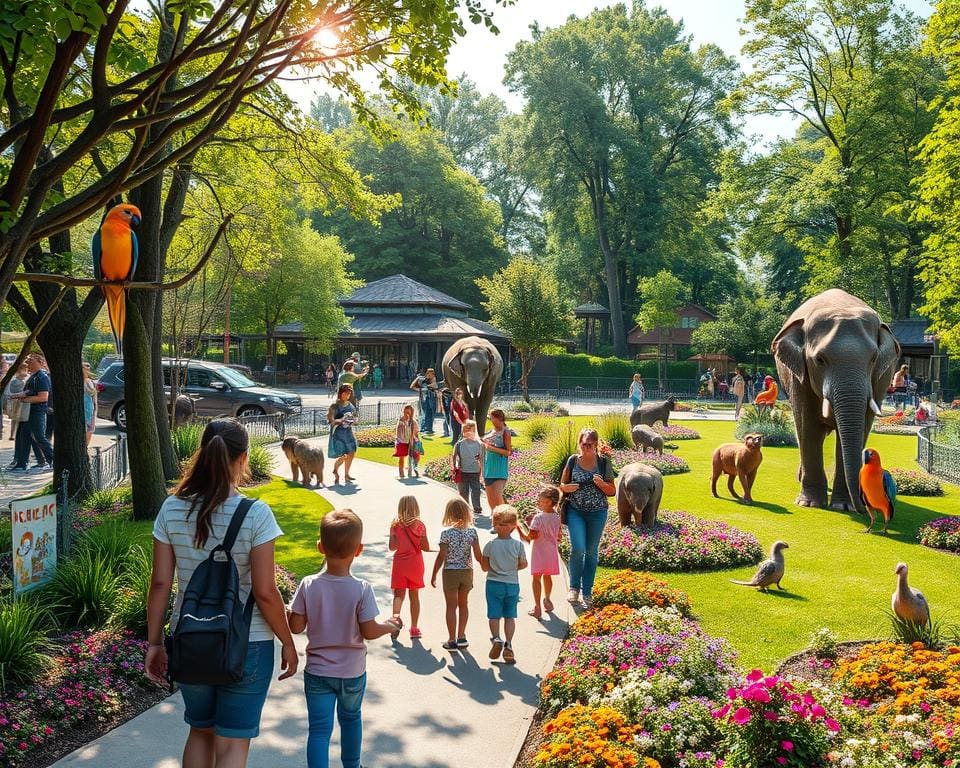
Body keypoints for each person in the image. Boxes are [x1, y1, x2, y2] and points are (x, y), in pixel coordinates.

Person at [145, 418, 298, 768]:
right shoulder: (256, 514)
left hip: (191, 639)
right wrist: (287, 641)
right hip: (249, 642)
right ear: (243, 458)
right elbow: (265, 591)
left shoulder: (172, 508)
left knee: (200, 731)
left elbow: (160, 584)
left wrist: (155, 643)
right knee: (232, 743)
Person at [287, 509, 402, 768]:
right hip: (351, 672)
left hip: (317, 671)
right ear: (359, 550)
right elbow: (369, 631)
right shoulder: (361, 589)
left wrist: (288, 611)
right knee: (351, 719)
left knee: (318, 730)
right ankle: (352, 765)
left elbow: (296, 627)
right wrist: (389, 626)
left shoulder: (308, 584)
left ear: (320, 547)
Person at [559, 428, 615, 609]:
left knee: (591, 551)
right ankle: (574, 587)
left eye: (590, 444)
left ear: (596, 444)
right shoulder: (573, 461)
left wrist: (601, 484)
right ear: (579, 443)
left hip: (598, 512)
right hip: (576, 511)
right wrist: (566, 489)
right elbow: (562, 484)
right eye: (584, 444)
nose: (586, 448)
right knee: (578, 548)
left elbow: (612, 491)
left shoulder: (603, 463)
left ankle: (587, 591)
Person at [430, 497, 482, 651]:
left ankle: (451, 639)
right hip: (466, 571)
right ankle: (462, 636)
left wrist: (434, 574)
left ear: (449, 514)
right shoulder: (472, 532)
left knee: (451, 606)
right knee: (463, 604)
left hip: (450, 572)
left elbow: (442, 556)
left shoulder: (446, 533)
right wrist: (487, 565)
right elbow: (478, 555)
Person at [481, 504, 527, 665]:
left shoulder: (490, 546)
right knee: (510, 615)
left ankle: (496, 638)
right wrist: (511, 568)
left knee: (494, 615)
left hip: (494, 582)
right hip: (512, 584)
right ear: (514, 527)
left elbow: (484, 566)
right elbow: (523, 564)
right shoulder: (518, 545)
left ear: (494, 525)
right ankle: (509, 644)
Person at [388, 496, 430, 640]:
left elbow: (392, 547)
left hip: (400, 564)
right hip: (415, 563)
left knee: (398, 595)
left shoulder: (395, 525)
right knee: (414, 596)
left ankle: (394, 620)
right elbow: (425, 547)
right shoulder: (420, 525)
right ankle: (414, 628)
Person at [517, 486, 561, 619]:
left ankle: (537, 607)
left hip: (539, 551)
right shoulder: (557, 517)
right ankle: (547, 599)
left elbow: (531, 537)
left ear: (548, 502)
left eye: (541, 500)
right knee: (548, 576)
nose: (538, 502)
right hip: (552, 550)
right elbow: (559, 536)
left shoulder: (538, 518)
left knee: (536, 578)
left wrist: (518, 529)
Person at [8, 353, 54, 473]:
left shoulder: (41, 377)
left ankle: (54, 460)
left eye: (30, 361)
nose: (28, 363)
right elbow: (31, 391)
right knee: (25, 436)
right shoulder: (34, 377)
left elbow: (43, 397)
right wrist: (18, 395)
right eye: (27, 361)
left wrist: (24, 399)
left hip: (37, 412)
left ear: (39, 362)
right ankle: (21, 464)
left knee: (39, 437)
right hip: (29, 412)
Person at [481, 408, 512, 514]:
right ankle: (495, 519)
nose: (491, 420)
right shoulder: (492, 431)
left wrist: (491, 448)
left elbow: (508, 452)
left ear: (499, 418)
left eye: (492, 418)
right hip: (488, 469)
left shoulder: (505, 432)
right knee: (490, 498)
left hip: (500, 470)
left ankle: (506, 517)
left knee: (498, 495)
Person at [452, 419, 484, 517]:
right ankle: (465, 507)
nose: (468, 432)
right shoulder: (459, 444)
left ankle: (476, 507)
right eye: (466, 430)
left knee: (476, 490)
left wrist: (482, 471)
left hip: (475, 471)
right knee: (463, 491)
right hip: (462, 471)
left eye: (471, 430)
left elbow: (482, 458)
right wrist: (454, 467)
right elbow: (454, 456)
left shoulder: (479, 444)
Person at [328, 384, 358, 484]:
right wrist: (341, 420)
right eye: (345, 393)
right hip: (339, 434)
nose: (347, 395)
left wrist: (353, 420)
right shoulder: (334, 406)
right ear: (340, 393)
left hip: (348, 432)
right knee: (343, 455)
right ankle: (335, 469)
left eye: (349, 394)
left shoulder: (350, 405)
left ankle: (346, 474)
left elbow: (355, 418)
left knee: (352, 452)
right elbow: (331, 420)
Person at [392, 404, 421, 479]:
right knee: (401, 457)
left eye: (409, 412)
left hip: (412, 441)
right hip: (402, 441)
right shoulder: (401, 420)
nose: (407, 414)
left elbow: (417, 431)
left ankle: (414, 469)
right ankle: (401, 473)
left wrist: (417, 440)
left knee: (416, 456)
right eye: (406, 412)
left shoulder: (414, 421)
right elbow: (398, 431)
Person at [4, 362, 29, 441]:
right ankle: (12, 434)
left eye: (26, 369)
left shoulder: (26, 378)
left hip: (22, 401)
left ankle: (16, 435)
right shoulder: (14, 380)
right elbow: (10, 391)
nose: (25, 371)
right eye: (24, 369)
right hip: (16, 401)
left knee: (19, 419)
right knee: (14, 418)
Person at [410, 367, 439, 434]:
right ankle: (423, 428)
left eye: (432, 374)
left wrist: (431, 381)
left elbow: (435, 386)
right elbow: (412, 386)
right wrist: (417, 379)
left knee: (430, 414)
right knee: (424, 414)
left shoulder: (433, 381)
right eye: (429, 374)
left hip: (431, 399)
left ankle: (429, 428)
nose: (430, 376)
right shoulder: (423, 380)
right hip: (424, 400)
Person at [82, 361, 98, 447]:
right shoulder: (82, 382)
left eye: (88, 366)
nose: (88, 367)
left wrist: (95, 410)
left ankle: (85, 448)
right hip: (84, 409)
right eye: (85, 366)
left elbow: (93, 396)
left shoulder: (90, 381)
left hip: (89, 409)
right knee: (86, 430)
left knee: (89, 430)